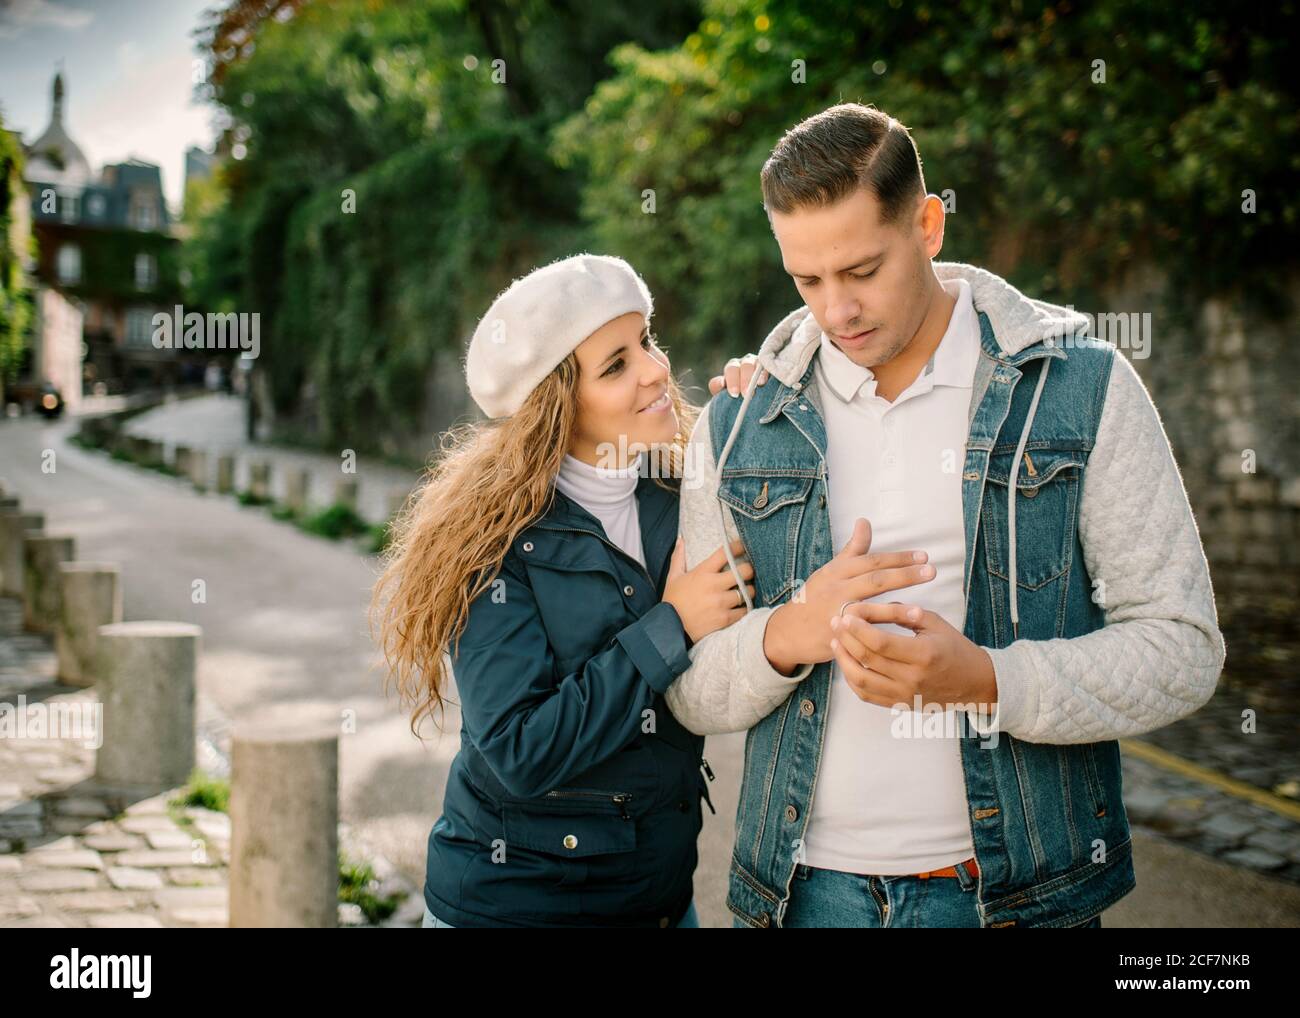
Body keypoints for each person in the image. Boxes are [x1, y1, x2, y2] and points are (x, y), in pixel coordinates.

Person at [664, 103, 1225, 928]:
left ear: (928, 224)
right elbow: (689, 692)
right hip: (802, 898)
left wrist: (988, 682)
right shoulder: (740, 422)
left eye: (861, 271)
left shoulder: (1080, 388)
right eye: (806, 281)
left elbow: (1183, 648)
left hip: (1019, 899)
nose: (837, 312)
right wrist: (789, 635)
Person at [369, 253, 931, 927]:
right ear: (554, 408)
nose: (656, 370)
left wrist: (769, 413)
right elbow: (519, 749)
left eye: (647, 341)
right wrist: (672, 623)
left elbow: (781, 595)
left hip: (661, 902)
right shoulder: (493, 542)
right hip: (516, 910)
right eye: (615, 365)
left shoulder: (683, 489)